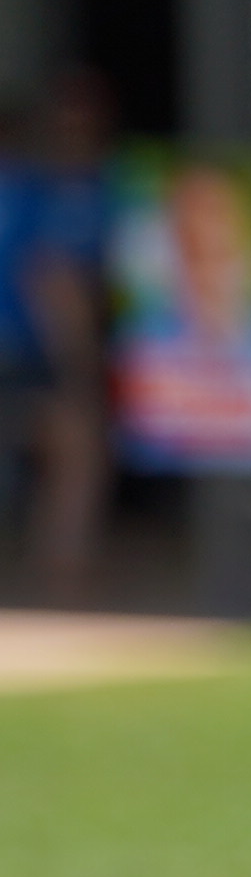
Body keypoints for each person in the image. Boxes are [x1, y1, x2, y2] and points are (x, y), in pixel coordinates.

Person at [0, 65, 112, 601]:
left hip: (25, 344)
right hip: (31, 347)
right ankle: (64, 573)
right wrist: (77, 358)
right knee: (75, 453)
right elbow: (52, 280)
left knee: (57, 454)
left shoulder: (51, 189)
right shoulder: (39, 193)